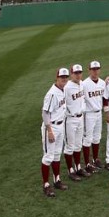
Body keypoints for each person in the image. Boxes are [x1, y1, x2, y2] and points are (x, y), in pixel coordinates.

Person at [39, 67, 69, 197]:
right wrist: (49, 131)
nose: (64, 79)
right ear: (57, 78)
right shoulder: (52, 93)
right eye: (62, 77)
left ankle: (57, 180)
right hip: (51, 128)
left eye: (65, 77)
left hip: (60, 126)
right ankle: (46, 185)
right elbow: (45, 113)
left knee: (57, 155)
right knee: (48, 157)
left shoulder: (63, 90)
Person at [63, 64, 88, 180]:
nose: (78, 75)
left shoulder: (82, 84)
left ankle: (78, 167)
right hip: (70, 119)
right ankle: (70, 170)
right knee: (70, 146)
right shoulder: (66, 87)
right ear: (71, 74)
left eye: (79, 73)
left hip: (80, 118)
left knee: (78, 145)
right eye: (75, 73)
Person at [82, 62, 107, 171]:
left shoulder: (102, 83)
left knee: (97, 137)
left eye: (97, 69)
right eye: (93, 69)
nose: (95, 71)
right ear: (89, 70)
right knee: (87, 139)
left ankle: (95, 159)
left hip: (98, 113)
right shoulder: (84, 84)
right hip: (88, 114)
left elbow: (105, 98)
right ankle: (87, 164)